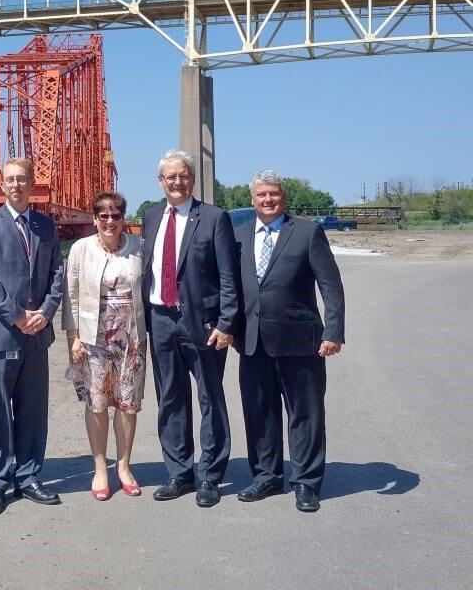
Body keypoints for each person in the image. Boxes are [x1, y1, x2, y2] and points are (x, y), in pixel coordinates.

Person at [236, 170, 345, 513]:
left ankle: (306, 482)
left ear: (283, 197)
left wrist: (334, 331)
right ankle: (266, 476)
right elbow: (228, 287)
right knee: (259, 413)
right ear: (252, 199)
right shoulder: (238, 235)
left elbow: (331, 285)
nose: (268, 200)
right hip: (252, 341)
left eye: (274, 194)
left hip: (301, 341)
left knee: (304, 414)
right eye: (261, 195)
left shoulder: (308, 232)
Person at [141, 150, 240, 508]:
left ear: (192, 179)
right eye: (170, 177)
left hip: (204, 323)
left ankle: (210, 475)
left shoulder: (213, 218)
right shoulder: (151, 217)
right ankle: (179, 472)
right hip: (161, 319)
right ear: (160, 182)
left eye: (183, 176)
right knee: (170, 397)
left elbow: (228, 276)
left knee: (209, 398)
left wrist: (227, 323)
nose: (177, 182)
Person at [0, 157, 64, 515]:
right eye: (9, 180)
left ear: (31, 184)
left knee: (33, 409)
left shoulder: (45, 225)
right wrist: (18, 315)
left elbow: (57, 272)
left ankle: (28, 477)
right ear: (2, 185)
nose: (16, 185)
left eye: (22, 179)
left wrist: (45, 313)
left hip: (37, 334)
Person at [62, 192, 147, 500]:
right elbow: (70, 296)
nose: (110, 221)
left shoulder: (138, 247)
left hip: (131, 338)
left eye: (116, 215)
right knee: (97, 404)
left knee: (127, 403)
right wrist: (73, 338)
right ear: (95, 218)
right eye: (103, 215)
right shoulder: (80, 249)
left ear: (123, 218)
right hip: (92, 339)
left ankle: (123, 465)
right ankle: (100, 467)